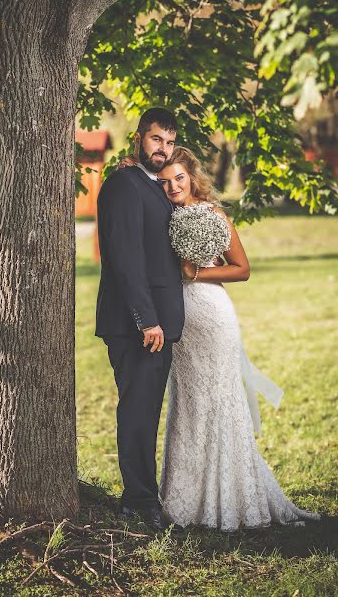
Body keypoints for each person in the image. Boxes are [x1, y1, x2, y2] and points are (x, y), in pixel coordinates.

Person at [157, 146, 320, 531]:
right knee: (188, 405)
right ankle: (183, 503)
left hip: (213, 318)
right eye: (164, 182)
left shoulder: (214, 215)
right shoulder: (164, 216)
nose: (173, 186)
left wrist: (195, 273)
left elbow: (242, 269)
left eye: (178, 178)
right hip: (181, 325)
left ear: (191, 176)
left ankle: (231, 499)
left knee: (220, 401)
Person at [95, 108, 185, 531]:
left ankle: (143, 496)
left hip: (157, 324)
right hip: (138, 325)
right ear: (138, 138)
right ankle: (138, 503)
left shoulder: (153, 185)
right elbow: (125, 257)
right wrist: (146, 319)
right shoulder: (122, 186)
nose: (162, 149)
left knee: (147, 410)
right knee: (137, 411)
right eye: (155, 140)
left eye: (169, 142)